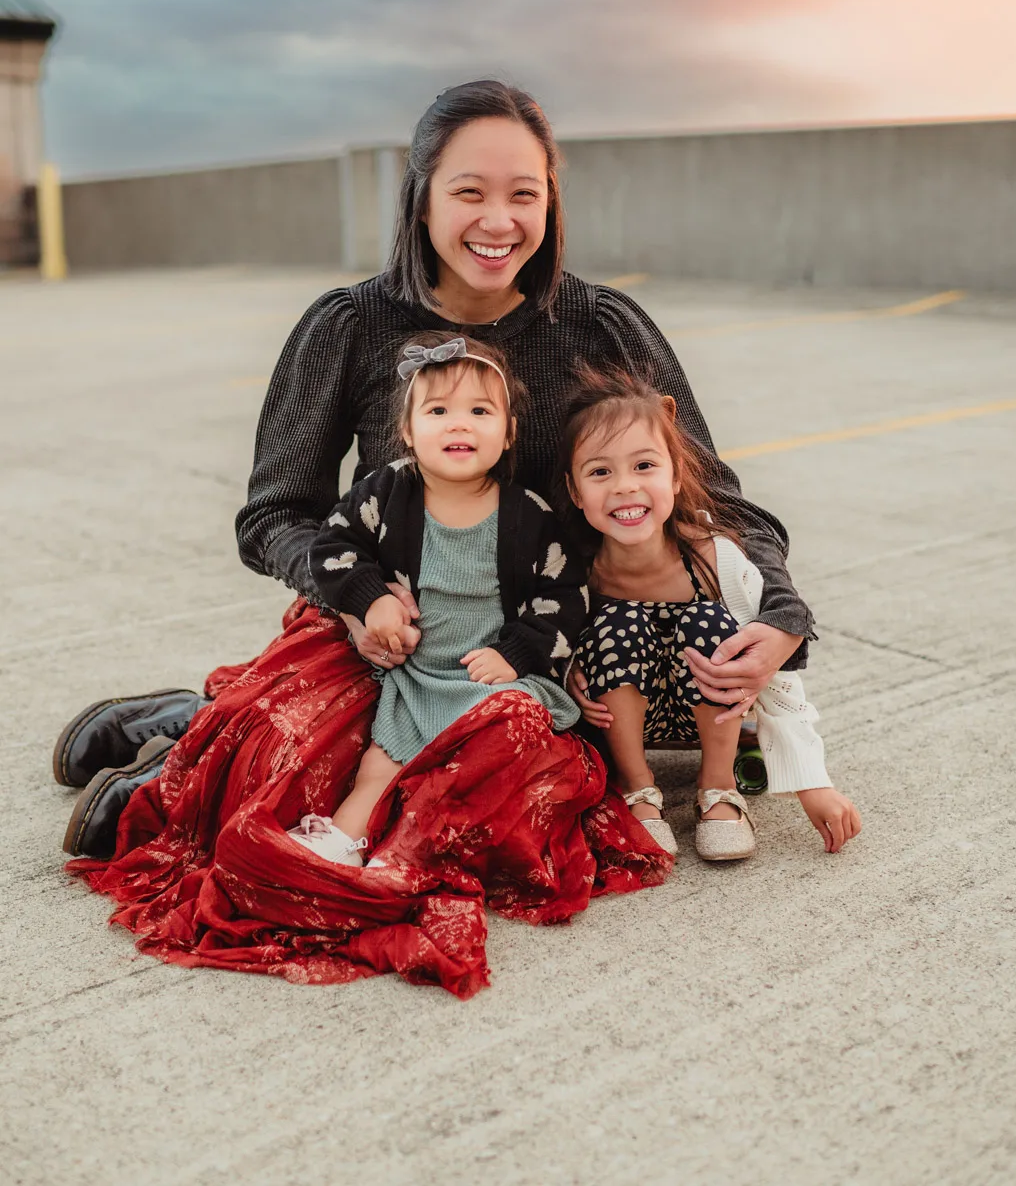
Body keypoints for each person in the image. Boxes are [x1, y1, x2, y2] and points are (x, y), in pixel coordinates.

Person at [56, 78, 814, 873]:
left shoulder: (600, 326)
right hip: (392, 634)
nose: (499, 221)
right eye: (468, 192)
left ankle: (205, 718)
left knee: (475, 797)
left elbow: (719, 504)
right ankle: (187, 739)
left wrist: (784, 619)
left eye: (524, 194)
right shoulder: (350, 325)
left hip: (545, 643)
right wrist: (355, 602)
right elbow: (273, 516)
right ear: (420, 201)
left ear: (550, 204)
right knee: (311, 772)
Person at [288, 331, 585, 867]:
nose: (459, 423)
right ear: (407, 429)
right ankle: (345, 838)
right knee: (379, 763)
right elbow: (332, 547)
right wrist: (370, 599)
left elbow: (563, 598)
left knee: (478, 761)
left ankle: (409, 849)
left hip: (493, 679)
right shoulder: (388, 493)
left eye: (479, 410)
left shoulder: (528, 516)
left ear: (509, 432)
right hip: (417, 676)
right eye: (438, 410)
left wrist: (515, 656)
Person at [561, 366, 861, 862]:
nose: (624, 488)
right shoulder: (574, 568)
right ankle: (639, 791)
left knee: (711, 623)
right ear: (575, 492)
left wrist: (813, 782)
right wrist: (568, 674)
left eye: (644, 467)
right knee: (617, 623)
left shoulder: (714, 557)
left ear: (675, 476)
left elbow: (772, 670)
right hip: (619, 720)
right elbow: (545, 638)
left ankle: (719, 791)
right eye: (599, 472)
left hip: (709, 715)